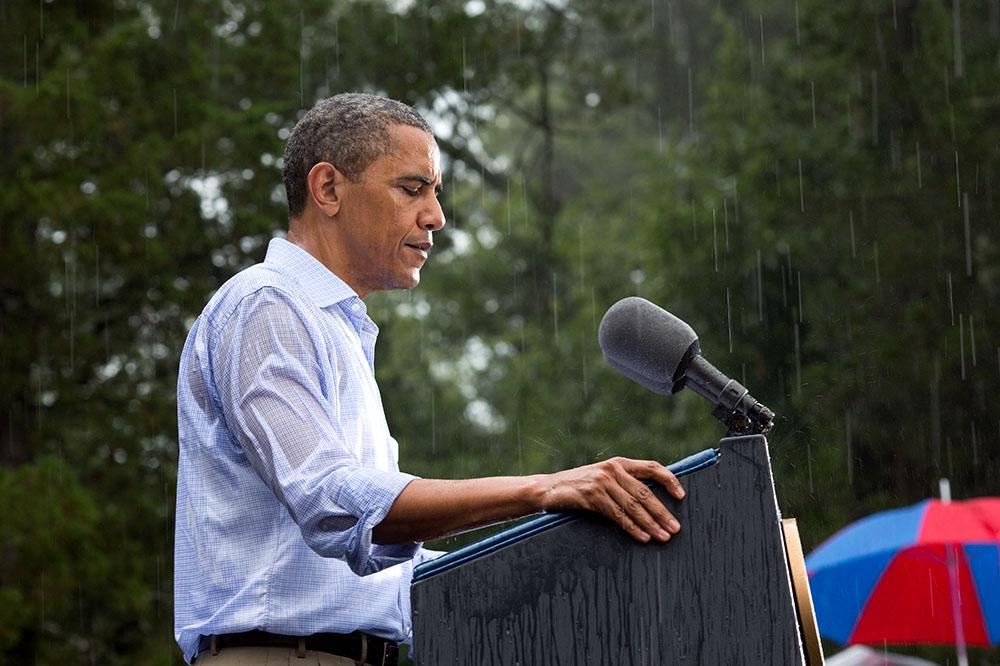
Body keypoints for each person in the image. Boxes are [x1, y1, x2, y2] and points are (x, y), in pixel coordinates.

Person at [174, 93, 686, 665]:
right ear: (328, 189)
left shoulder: (335, 327)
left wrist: (572, 548)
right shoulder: (266, 306)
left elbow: (382, 566)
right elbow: (329, 498)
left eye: (435, 193)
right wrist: (544, 489)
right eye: (412, 188)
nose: (436, 216)